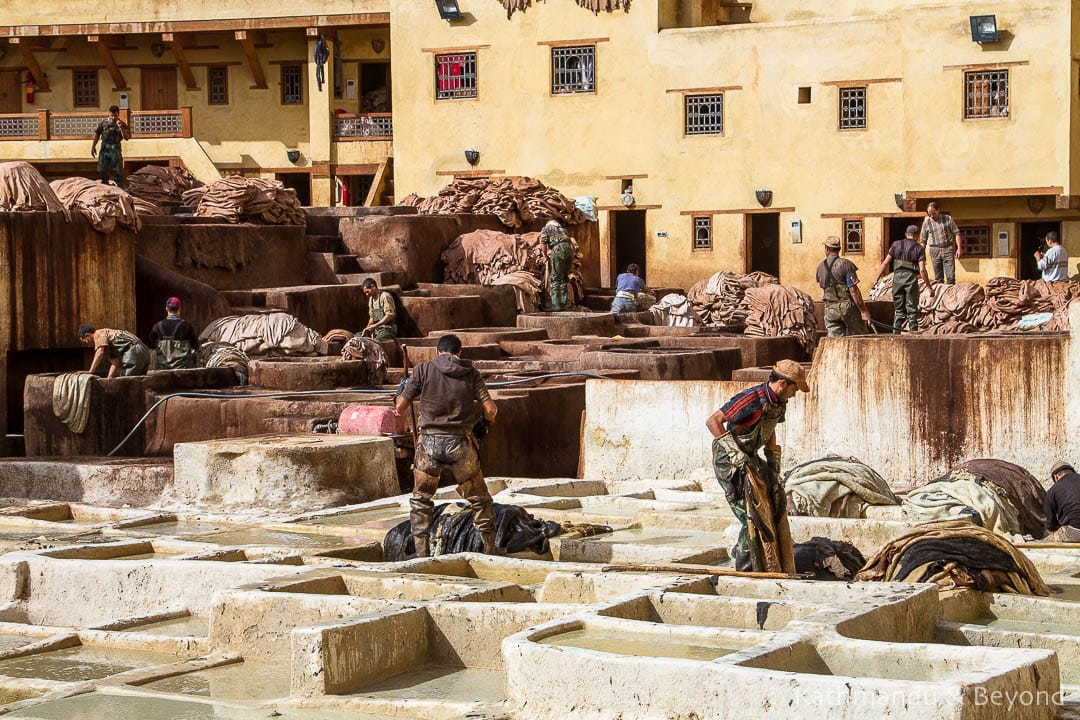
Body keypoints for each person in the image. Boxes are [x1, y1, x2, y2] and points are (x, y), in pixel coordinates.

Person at [395, 334, 499, 557]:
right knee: (479, 499)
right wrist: (486, 422)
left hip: (428, 444)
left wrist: (401, 390)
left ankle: (421, 553)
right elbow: (491, 409)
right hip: (460, 444)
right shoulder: (470, 373)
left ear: (437, 351)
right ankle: (490, 548)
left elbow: (401, 406)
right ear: (459, 353)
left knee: (421, 500)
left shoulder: (423, 370)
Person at [706, 359, 807, 572]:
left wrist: (773, 466)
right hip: (729, 461)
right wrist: (734, 453)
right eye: (794, 389)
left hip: (751, 456)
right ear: (782, 384)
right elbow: (713, 421)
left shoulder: (780, 404)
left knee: (771, 504)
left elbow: (769, 432)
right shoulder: (750, 399)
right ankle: (744, 565)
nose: (794, 394)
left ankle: (748, 552)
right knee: (748, 513)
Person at [871, 225, 935, 333]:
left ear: (906, 234)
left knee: (899, 310)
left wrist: (876, 280)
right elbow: (922, 270)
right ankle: (913, 333)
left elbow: (886, 263)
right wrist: (929, 287)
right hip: (911, 278)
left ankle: (896, 335)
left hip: (897, 278)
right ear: (916, 235)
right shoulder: (919, 248)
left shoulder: (896, 245)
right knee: (912, 309)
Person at [816, 236, 871, 336]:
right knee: (859, 338)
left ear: (826, 249)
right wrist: (864, 311)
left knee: (835, 343)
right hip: (848, 308)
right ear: (839, 249)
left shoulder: (820, 268)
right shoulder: (846, 265)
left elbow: (823, 287)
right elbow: (853, 290)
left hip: (830, 308)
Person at [76, 325, 149, 377]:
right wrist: (109, 380)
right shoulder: (110, 343)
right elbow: (115, 363)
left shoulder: (98, 333)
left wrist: (90, 371)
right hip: (144, 349)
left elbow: (99, 353)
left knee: (127, 380)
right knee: (139, 378)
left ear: (87, 335)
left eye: (85, 342)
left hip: (134, 350)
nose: (88, 345)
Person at [149, 297, 199, 369]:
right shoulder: (186, 326)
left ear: (166, 309)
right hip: (183, 367)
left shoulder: (158, 326)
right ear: (179, 309)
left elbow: (151, 339)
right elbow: (195, 345)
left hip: (163, 367)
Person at [920, 201, 962, 285]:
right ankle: (939, 296)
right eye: (929, 214)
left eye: (934, 213)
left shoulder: (948, 219)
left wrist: (959, 248)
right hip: (934, 250)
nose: (932, 216)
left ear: (938, 210)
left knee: (950, 277)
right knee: (938, 278)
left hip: (948, 248)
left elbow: (957, 233)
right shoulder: (926, 223)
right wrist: (920, 254)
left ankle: (950, 296)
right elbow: (923, 241)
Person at [90, 105, 130, 190]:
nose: (113, 117)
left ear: (118, 114)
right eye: (112, 115)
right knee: (101, 168)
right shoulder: (103, 123)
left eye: (115, 115)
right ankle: (105, 183)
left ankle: (120, 187)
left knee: (117, 170)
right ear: (109, 114)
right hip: (105, 147)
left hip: (115, 148)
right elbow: (97, 135)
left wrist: (121, 128)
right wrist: (93, 146)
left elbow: (126, 138)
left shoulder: (122, 124)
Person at [541, 219, 574, 312]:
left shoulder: (546, 228)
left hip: (559, 249)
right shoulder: (564, 230)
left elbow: (543, 242)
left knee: (555, 278)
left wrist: (545, 255)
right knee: (564, 277)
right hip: (570, 250)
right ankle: (564, 304)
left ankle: (556, 305)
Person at [1045, 461, 1080, 542]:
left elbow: (1050, 525)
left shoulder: (1053, 490)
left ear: (1056, 477)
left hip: (1075, 532)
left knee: (1048, 541)